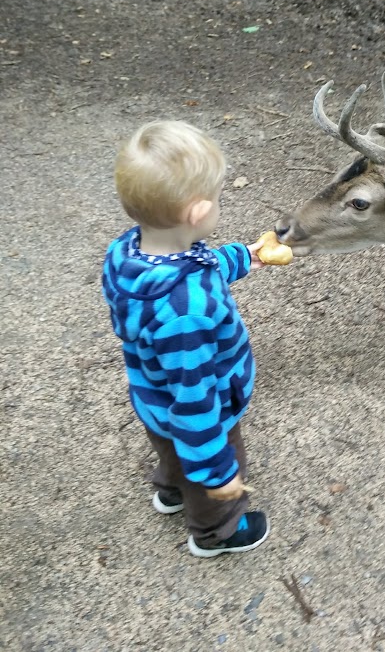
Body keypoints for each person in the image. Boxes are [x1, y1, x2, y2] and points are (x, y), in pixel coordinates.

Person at [102, 120, 269, 558]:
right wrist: (218, 473)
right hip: (200, 410)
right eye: (216, 197)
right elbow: (193, 401)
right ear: (197, 212)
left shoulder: (127, 252)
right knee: (203, 461)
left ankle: (170, 489)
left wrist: (245, 255)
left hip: (151, 396)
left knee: (172, 450)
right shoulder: (186, 313)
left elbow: (203, 262)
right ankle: (216, 532)